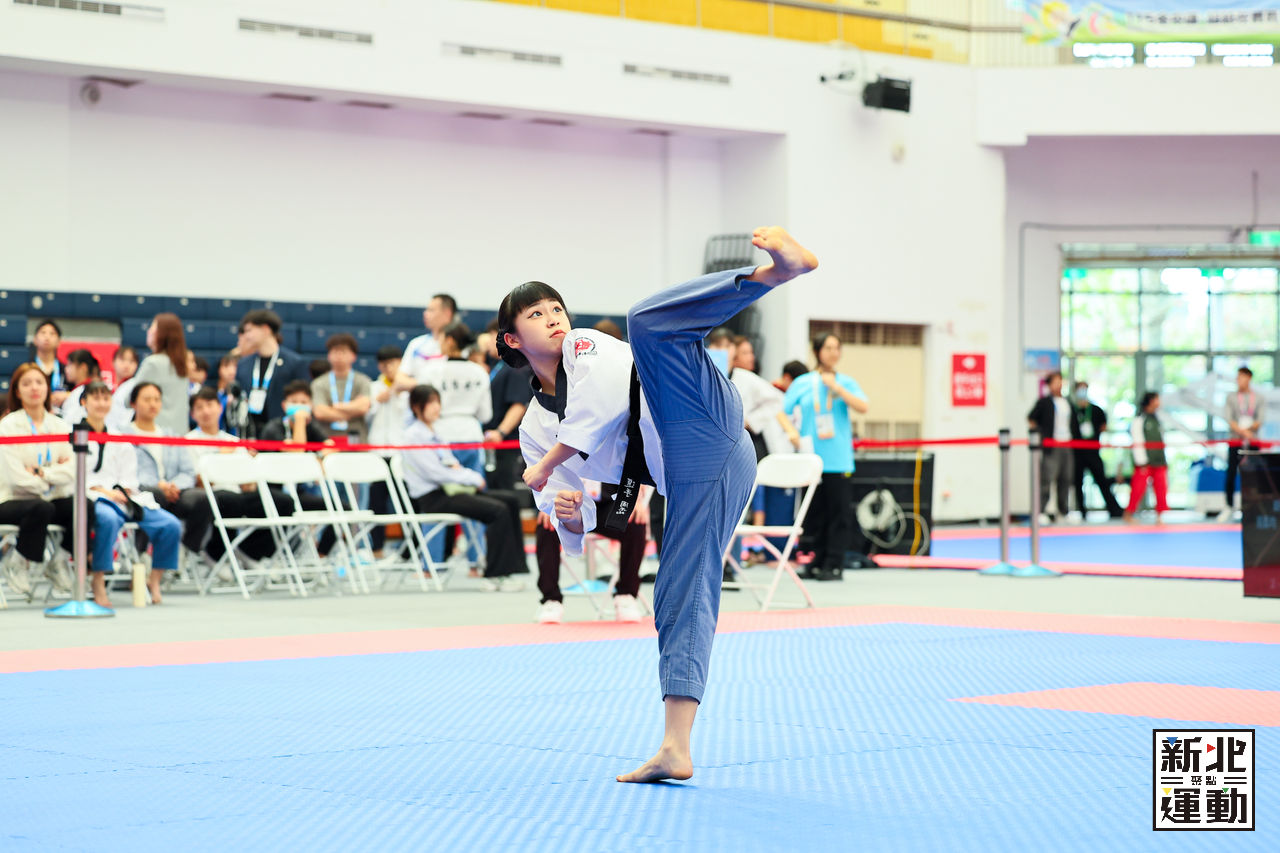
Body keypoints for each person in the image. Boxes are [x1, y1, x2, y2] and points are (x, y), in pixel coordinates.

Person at [504, 225, 818, 783]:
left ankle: (775, 273)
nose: (553, 317)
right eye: (536, 314)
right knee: (676, 593)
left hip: (695, 412)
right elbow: (569, 516)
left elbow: (598, 411)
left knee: (647, 322)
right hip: (692, 472)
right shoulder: (534, 428)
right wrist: (575, 516)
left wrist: (547, 466)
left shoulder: (584, 346)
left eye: (556, 307)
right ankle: (676, 748)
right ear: (511, 339)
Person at [400, 384, 527, 591]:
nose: (436, 407)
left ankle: (514, 568)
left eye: (437, 402)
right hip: (435, 496)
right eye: (430, 403)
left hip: (454, 489)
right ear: (416, 406)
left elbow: (451, 464)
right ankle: (495, 575)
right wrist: (473, 478)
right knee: (497, 510)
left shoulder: (436, 432)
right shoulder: (412, 436)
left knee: (510, 501)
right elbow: (436, 472)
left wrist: (465, 476)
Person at [81, 380, 182, 606]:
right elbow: (75, 476)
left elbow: (129, 477)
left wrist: (123, 491)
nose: (101, 403)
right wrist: (104, 491)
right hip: (94, 498)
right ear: (84, 402)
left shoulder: (119, 438)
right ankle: (98, 580)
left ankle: (154, 579)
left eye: (106, 398)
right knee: (108, 520)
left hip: (124, 498)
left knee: (170, 525)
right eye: (96, 398)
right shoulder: (74, 436)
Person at [779, 333, 868, 581]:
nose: (833, 353)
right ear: (817, 351)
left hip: (838, 459)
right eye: (828, 348)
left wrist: (837, 388)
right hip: (812, 458)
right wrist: (791, 432)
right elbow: (782, 411)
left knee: (839, 514)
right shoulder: (803, 382)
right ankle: (815, 561)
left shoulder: (846, 382)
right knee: (815, 513)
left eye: (837, 348)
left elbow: (863, 406)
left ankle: (834, 563)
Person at [0, 364, 76, 597]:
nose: (34, 388)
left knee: (83, 507)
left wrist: (42, 473)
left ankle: (60, 560)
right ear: (17, 391)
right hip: (12, 500)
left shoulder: (60, 425)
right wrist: (54, 475)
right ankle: (18, 561)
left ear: (47, 388)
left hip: (50, 497)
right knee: (40, 507)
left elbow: (72, 469)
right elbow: (16, 478)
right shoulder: (8, 426)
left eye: (39, 382)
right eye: (26, 383)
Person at [534, 480, 649, 624]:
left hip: (608, 503)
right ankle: (551, 599)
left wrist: (634, 500)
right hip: (570, 503)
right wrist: (548, 504)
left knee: (635, 522)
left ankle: (626, 595)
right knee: (546, 525)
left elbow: (632, 472)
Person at [124, 382, 211, 569]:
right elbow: (127, 470)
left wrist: (174, 486)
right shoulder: (123, 435)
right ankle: (141, 552)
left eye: (157, 399)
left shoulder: (171, 435)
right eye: (147, 399)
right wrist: (160, 485)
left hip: (174, 492)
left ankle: (184, 549)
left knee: (202, 498)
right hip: (141, 492)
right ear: (133, 403)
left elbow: (187, 471)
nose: (152, 404)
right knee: (154, 495)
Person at [419, 320, 491, 476]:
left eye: (441, 338)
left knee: (445, 485)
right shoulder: (480, 373)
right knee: (473, 484)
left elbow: (422, 410)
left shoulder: (431, 371)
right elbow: (485, 415)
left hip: (441, 434)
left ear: (450, 341)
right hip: (471, 435)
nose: (439, 343)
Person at [234, 309, 310, 439]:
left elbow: (304, 401)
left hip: (282, 435)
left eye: (249, 330)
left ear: (265, 329)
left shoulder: (295, 363)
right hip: (250, 434)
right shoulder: (243, 364)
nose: (246, 336)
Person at [366, 346, 411, 556]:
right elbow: (366, 416)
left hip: (400, 452)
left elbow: (409, 416)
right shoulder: (373, 387)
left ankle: (409, 549)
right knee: (377, 503)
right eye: (384, 364)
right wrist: (378, 400)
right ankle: (376, 547)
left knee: (405, 500)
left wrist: (396, 392)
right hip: (377, 452)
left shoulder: (408, 388)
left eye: (392, 363)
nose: (388, 368)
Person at [482, 321, 534, 490]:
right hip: (493, 442)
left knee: (504, 489)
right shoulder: (498, 366)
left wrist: (500, 432)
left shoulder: (515, 368)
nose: (487, 342)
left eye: (491, 336)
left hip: (505, 442)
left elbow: (518, 405)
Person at [1026, 371, 1079, 524]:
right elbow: (1031, 418)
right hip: (1051, 445)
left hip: (1067, 444)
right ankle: (1041, 511)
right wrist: (1041, 435)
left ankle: (1063, 511)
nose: (1059, 385)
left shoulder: (1068, 402)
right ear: (1049, 385)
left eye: (1060, 381)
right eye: (1055, 382)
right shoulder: (1044, 402)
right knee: (1047, 479)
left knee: (1066, 478)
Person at [1071, 381, 1123, 520]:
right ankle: (1082, 511)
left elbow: (1103, 426)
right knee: (1078, 483)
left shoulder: (1096, 410)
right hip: (1077, 452)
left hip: (1093, 451)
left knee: (1102, 480)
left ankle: (1114, 509)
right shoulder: (1072, 410)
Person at [134, 313, 192, 435]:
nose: (149, 331)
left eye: (153, 327)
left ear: (162, 334)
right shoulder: (182, 365)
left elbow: (131, 398)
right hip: (179, 433)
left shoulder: (153, 363)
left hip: (156, 434)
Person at [310, 333, 372, 444]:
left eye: (343, 351)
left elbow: (363, 407)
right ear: (329, 355)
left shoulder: (363, 380)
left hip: (356, 439)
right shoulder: (318, 383)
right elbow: (320, 412)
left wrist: (336, 406)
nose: (339, 356)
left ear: (353, 356)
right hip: (326, 439)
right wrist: (352, 409)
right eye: (335, 351)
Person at [1222, 367, 1264, 521]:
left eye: (1242, 377)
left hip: (1252, 440)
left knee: (1254, 474)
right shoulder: (1231, 397)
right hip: (1235, 440)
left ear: (1249, 378)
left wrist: (1248, 431)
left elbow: (1260, 419)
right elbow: (1229, 419)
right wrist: (1241, 431)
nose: (1239, 380)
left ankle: (1253, 507)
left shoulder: (1258, 398)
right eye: (1238, 377)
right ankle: (1229, 506)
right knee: (1231, 473)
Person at [394, 293, 456, 389]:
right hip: (420, 396)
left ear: (447, 313)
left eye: (431, 310)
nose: (425, 314)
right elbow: (400, 379)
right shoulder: (416, 344)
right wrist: (425, 387)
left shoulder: (459, 345)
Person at [1125, 392, 1169, 525]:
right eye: (1156, 399)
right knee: (1138, 488)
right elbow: (1137, 441)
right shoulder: (1140, 420)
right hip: (1144, 462)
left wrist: (1163, 460)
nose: (1159, 402)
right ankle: (1128, 514)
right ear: (1150, 401)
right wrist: (1141, 461)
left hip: (1159, 461)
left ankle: (1160, 516)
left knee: (1161, 488)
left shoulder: (1157, 419)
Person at [30, 319, 70, 409]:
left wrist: (67, 395)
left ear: (59, 342)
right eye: (43, 333)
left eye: (52, 334)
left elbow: (77, 392)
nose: (47, 337)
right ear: (35, 340)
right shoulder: (26, 368)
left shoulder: (66, 370)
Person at [57, 348, 101, 426]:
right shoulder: (78, 391)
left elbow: (71, 421)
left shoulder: (84, 392)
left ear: (83, 367)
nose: (66, 369)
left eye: (69, 365)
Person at [110, 345, 140, 429]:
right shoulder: (108, 387)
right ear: (113, 362)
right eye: (122, 360)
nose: (126, 365)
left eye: (131, 361)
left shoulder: (136, 386)